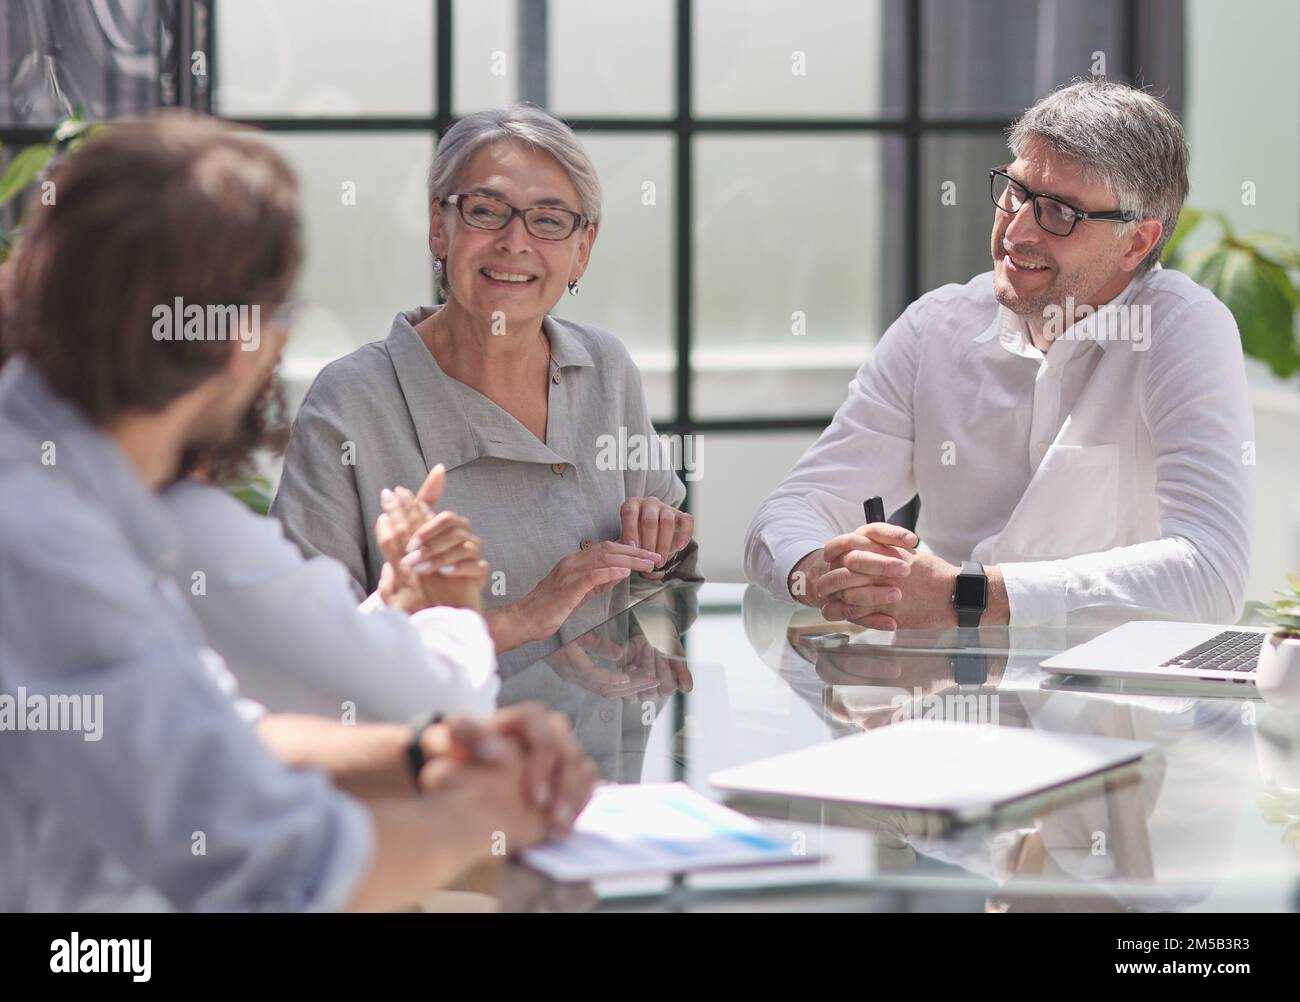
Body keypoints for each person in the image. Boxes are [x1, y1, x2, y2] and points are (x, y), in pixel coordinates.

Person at [0, 111, 595, 912]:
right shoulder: (54, 545)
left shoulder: (65, 489)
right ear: (245, 342)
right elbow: (291, 870)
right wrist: (484, 810)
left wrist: (427, 755)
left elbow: (211, 729)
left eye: (549, 221)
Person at [745, 78, 1255, 631]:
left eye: (1059, 212)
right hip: (939, 703)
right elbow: (792, 509)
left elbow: (1211, 575)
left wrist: (965, 596)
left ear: (1135, 242)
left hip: (1109, 707)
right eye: (1015, 192)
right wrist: (824, 570)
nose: (1017, 230)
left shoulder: (1181, 328)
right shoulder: (934, 327)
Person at [272, 104, 695, 672]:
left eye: (548, 221)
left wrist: (659, 557)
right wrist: (520, 618)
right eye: (487, 211)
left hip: (595, 750)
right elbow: (308, 651)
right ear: (438, 227)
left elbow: (666, 602)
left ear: (583, 249)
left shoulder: (607, 368)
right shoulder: (350, 401)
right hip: (438, 751)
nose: (514, 241)